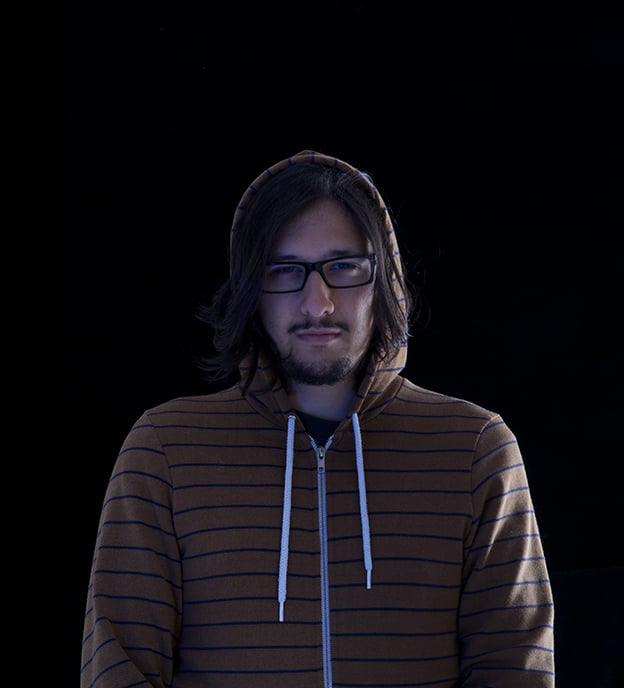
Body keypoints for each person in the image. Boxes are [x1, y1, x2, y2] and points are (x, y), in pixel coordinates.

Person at [79, 151, 554, 687]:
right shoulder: (165, 449)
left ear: (385, 279)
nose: (317, 303)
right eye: (284, 270)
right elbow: (119, 663)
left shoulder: (475, 448)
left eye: (343, 266)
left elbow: (514, 665)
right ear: (250, 288)